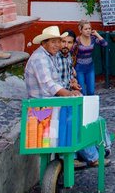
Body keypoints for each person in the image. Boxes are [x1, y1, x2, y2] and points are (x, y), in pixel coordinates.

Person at [24, 26, 109, 168]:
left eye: (58, 41)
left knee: (84, 112)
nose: (57, 45)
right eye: (53, 42)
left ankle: (94, 151)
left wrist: (71, 86)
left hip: (50, 103)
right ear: (44, 43)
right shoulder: (40, 58)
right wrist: (69, 94)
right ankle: (90, 156)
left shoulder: (49, 56)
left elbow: (58, 81)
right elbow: (49, 85)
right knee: (76, 119)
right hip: (43, 107)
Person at [70, 21, 108, 96]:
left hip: (90, 67)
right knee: (82, 91)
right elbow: (70, 53)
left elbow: (105, 44)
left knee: (91, 91)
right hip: (79, 68)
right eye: (85, 29)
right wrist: (71, 67)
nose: (88, 30)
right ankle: (83, 107)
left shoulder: (93, 39)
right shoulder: (77, 41)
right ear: (80, 30)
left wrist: (97, 34)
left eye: (89, 28)